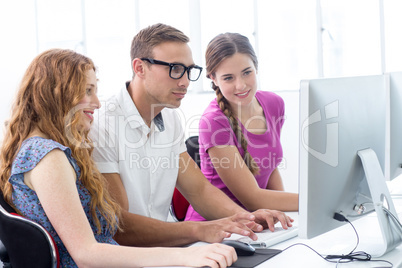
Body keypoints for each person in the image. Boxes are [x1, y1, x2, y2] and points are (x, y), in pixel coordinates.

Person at [0, 48, 238, 268]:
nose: (97, 102)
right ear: (57, 93)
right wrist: (184, 255)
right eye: (87, 91)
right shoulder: (48, 157)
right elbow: (86, 254)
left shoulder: (36, 149)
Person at [90, 23, 293, 248]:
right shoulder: (102, 126)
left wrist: (245, 219)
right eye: (175, 69)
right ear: (139, 68)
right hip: (128, 256)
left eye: (189, 70)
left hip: (167, 249)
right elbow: (121, 226)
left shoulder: (170, 118)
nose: (185, 81)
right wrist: (199, 229)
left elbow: (199, 190)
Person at [185, 33, 298, 222]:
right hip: (217, 225)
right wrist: (313, 200)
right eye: (228, 78)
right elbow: (253, 198)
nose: (241, 85)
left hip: (259, 221)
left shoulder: (274, 103)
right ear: (213, 78)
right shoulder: (213, 121)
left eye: (247, 72)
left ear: (256, 67)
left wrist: (285, 214)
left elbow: (270, 169)